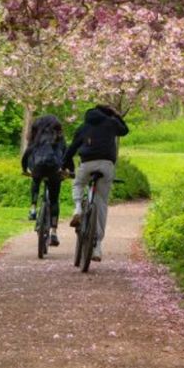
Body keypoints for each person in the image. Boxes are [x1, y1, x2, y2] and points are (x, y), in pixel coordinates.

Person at [63, 104, 129, 262]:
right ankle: (97, 246)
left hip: (87, 164)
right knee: (101, 203)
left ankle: (78, 208)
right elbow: (125, 131)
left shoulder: (84, 126)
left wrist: (66, 165)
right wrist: (117, 116)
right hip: (106, 165)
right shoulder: (111, 123)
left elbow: (71, 150)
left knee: (78, 184)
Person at [21, 114, 66, 247]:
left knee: (36, 179)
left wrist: (25, 168)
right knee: (54, 199)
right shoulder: (58, 136)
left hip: (37, 169)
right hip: (54, 170)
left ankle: (33, 208)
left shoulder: (36, 135)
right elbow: (65, 153)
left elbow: (27, 153)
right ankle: (53, 232)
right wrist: (68, 170)